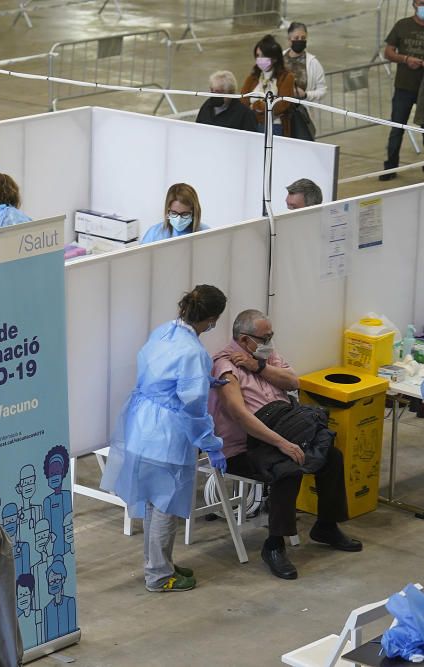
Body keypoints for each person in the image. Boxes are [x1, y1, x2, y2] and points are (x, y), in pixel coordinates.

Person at [208, 310, 363, 579]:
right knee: (288, 467)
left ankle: (326, 526)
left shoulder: (265, 357)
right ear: (245, 340)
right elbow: (239, 415)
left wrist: (259, 367)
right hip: (247, 447)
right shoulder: (225, 366)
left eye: (271, 336)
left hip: (284, 430)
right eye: (265, 337)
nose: (270, 341)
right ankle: (274, 545)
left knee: (332, 456)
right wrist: (281, 443)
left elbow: (293, 382)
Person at [102, 285, 228, 592]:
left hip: (140, 425)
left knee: (151, 502)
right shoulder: (195, 353)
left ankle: (160, 563)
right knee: (164, 506)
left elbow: (161, 375)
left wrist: (203, 379)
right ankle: (158, 575)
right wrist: (212, 444)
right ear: (212, 320)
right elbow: (194, 409)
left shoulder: (163, 332)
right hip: (166, 437)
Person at [381, 0, 424, 181]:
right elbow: (388, 52)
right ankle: (390, 167)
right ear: (414, 4)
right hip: (404, 86)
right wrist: (406, 59)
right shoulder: (402, 25)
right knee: (397, 127)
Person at [240, 35, 297, 136]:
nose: (259, 59)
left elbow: (281, 105)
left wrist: (257, 106)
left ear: (274, 58)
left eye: (263, 56)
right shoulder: (252, 78)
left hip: (275, 127)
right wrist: (262, 110)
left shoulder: (286, 77)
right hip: (252, 125)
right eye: (257, 56)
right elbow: (243, 101)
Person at [283, 22, 326, 141]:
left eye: (303, 38)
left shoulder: (313, 63)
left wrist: (306, 95)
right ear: (289, 39)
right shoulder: (280, 60)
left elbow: (322, 90)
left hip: (302, 116)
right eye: (296, 38)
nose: (300, 41)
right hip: (281, 116)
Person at [139, 183, 208, 244]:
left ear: (194, 212)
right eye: (174, 213)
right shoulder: (154, 234)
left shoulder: (207, 234)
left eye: (185, 214)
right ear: (168, 209)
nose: (179, 219)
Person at [194, 71, 258, 132]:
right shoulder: (207, 105)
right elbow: (197, 127)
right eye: (212, 90)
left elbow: (251, 139)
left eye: (218, 92)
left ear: (230, 92)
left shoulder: (245, 113)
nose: (214, 94)